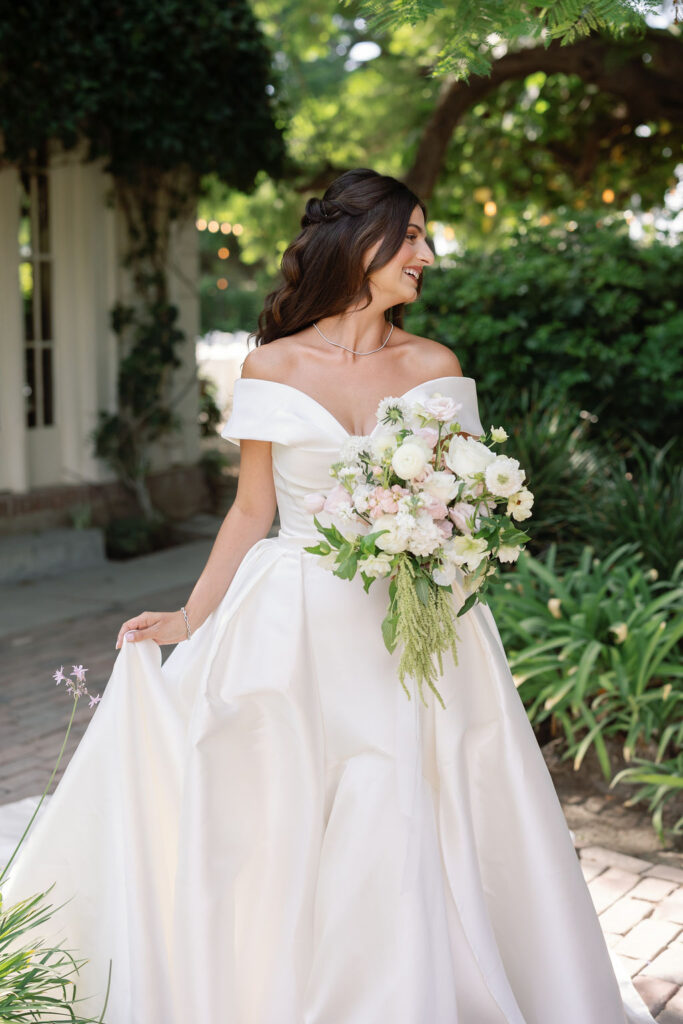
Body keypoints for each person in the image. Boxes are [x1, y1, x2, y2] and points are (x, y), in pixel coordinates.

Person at [3, 168, 657, 1024]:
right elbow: (250, 510)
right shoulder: (270, 365)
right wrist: (192, 615)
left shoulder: (433, 365)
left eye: (426, 237)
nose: (427, 255)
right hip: (293, 621)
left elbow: (465, 500)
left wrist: (450, 545)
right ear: (360, 244)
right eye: (413, 236)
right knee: (276, 809)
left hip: (417, 622)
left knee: (415, 805)